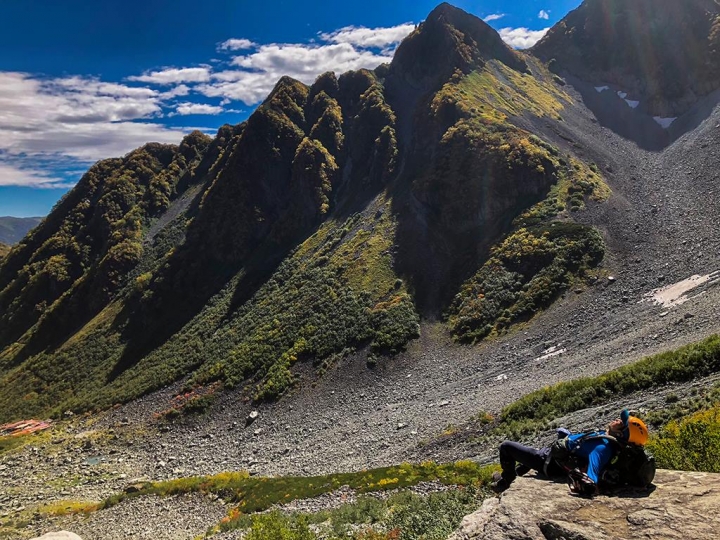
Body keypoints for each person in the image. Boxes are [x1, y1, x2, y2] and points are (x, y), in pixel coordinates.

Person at [490, 409, 649, 495]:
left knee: (506, 447)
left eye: (621, 423)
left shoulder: (602, 448)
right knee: (525, 458)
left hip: (547, 461)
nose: (617, 420)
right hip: (552, 455)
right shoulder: (608, 442)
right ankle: (512, 475)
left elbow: (591, 476)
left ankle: (507, 482)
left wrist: (588, 485)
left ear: (621, 434)